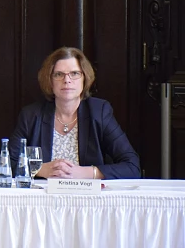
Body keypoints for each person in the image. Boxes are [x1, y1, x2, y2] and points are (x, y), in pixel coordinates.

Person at [9, 46, 140, 180]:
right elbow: (6, 164)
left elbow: (132, 166)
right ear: (49, 80)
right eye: (59, 74)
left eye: (75, 73)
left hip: (89, 198)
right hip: (43, 197)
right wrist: (40, 169)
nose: (67, 80)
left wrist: (87, 173)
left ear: (85, 78)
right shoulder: (31, 115)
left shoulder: (99, 111)